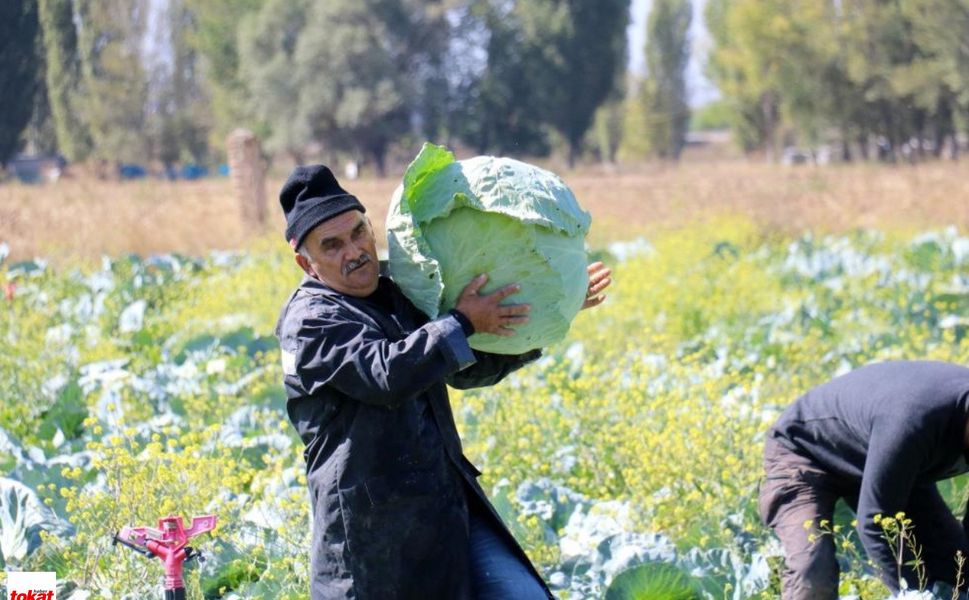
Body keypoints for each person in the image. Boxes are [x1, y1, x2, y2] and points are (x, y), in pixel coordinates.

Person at [273, 165, 611, 599]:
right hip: (374, 536)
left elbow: (462, 369)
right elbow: (387, 374)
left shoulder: (396, 292)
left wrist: (549, 309)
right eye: (333, 245)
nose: (355, 251)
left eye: (359, 232)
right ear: (307, 262)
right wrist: (464, 320)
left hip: (446, 512)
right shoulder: (311, 320)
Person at [760, 360, 969, 598]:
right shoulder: (913, 420)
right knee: (812, 570)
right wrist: (914, 594)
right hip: (804, 452)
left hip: (882, 459)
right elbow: (875, 520)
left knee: (955, 566)